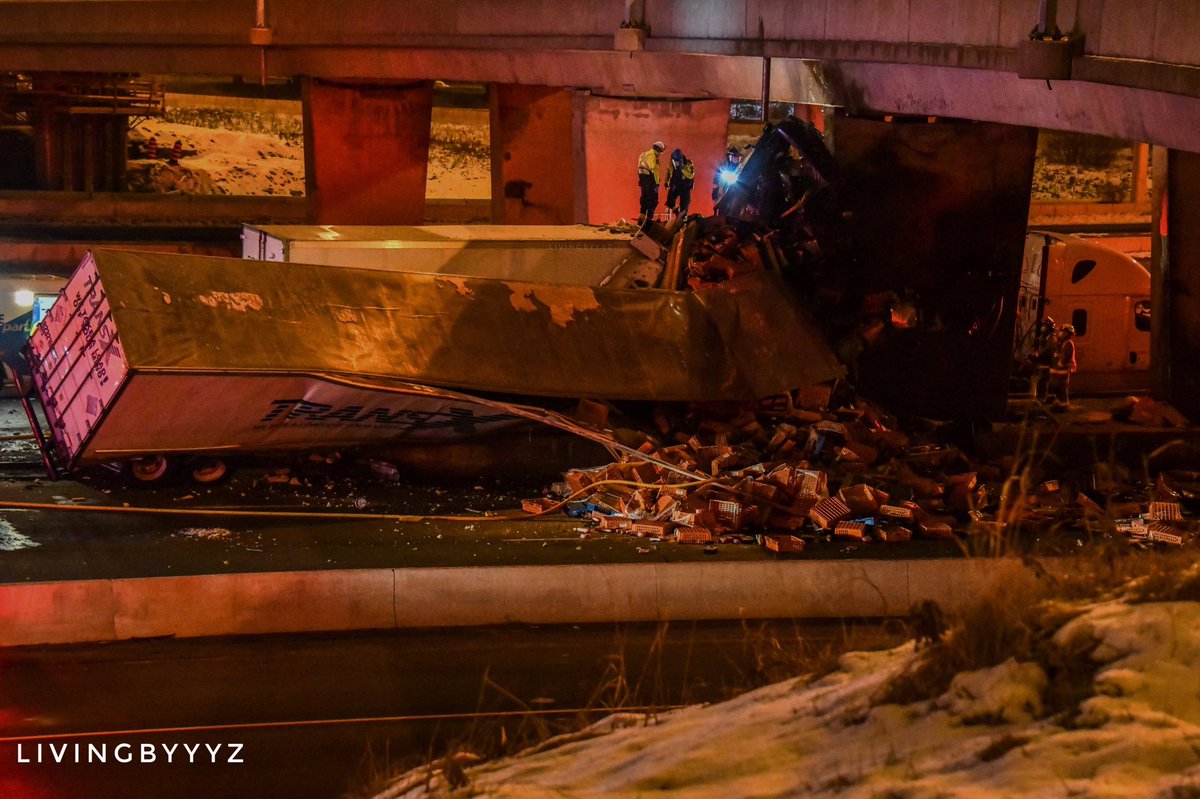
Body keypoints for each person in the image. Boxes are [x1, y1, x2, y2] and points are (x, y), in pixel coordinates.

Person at [1046, 323, 1077, 409]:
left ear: (1067, 334)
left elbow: (1065, 357)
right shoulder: (1061, 343)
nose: (1059, 333)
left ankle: (1063, 404)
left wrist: (1058, 365)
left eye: (1062, 332)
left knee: (1062, 387)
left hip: (1063, 370)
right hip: (1058, 370)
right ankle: (1059, 402)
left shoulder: (1068, 344)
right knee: (1055, 385)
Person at [636, 141, 665, 227]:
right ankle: (649, 222)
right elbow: (653, 170)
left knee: (644, 199)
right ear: (659, 150)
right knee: (653, 201)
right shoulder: (654, 157)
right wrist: (656, 182)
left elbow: (640, 168)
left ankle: (640, 222)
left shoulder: (643, 154)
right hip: (651, 181)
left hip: (643, 180)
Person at [665, 149, 696, 217]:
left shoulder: (688, 163)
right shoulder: (671, 162)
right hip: (675, 185)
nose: (676, 162)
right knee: (670, 202)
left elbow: (691, 175)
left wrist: (682, 169)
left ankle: (683, 219)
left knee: (684, 205)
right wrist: (666, 181)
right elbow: (668, 171)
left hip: (685, 186)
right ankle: (677, 214)